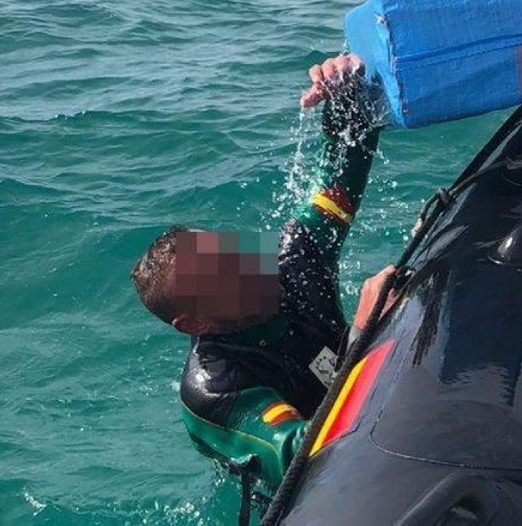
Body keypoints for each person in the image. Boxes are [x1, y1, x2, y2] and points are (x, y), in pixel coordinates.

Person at [130, 53, 394, 490]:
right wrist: (365, 333)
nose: (249, 268)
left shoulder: (290, 262)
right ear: (194, 323)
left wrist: (345, 92)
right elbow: (307, 461)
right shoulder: (216, 389)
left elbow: (342, 173)